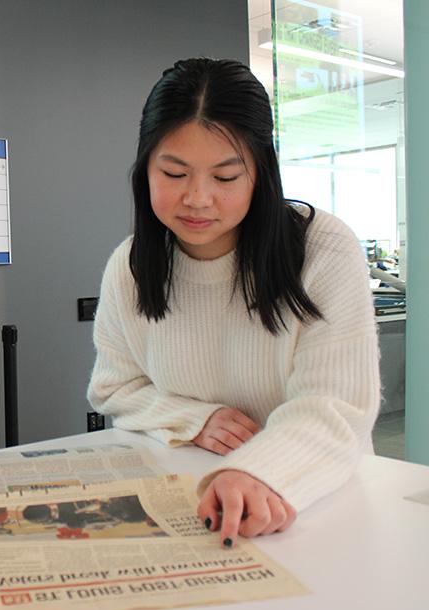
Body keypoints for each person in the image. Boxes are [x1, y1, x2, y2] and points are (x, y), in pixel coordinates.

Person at [87, 58, 380, 548]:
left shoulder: (322, 249)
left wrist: (259, 471)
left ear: (260, 175)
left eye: (225, 178)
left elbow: (335, 406)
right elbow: (114, 389)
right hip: (189, 493)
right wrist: (193, 419)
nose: (198, 199)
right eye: (175, 173)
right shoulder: (131, 265)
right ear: (146, 170)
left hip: (312, 501)